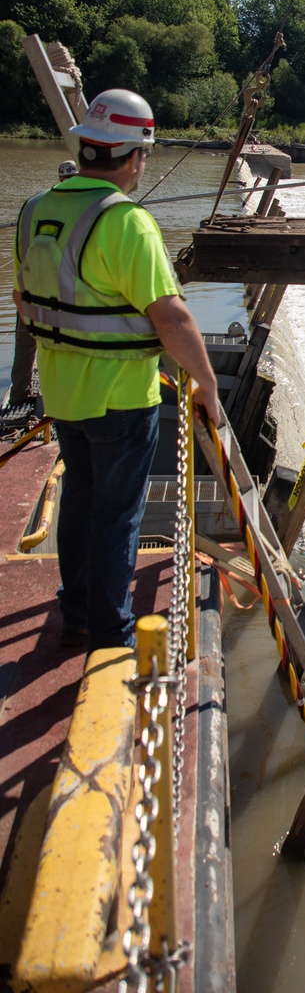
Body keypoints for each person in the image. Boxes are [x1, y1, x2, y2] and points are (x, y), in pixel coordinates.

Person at [13, 89, 221, 650]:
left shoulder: (34, 211)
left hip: (63, 394)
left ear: (85, 147)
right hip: (122, 399)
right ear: (134, 157)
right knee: (117, 515)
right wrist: (205, 384)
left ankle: (76, 611)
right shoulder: (127, 222)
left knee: (80, 495)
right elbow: (172, 318)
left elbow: (24, 300)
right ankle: (111, 633)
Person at [8, 159, 79, 406]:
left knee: (25, 347)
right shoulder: (81, 208)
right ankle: (57, 400)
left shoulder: (34, 204)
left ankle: (19, 396)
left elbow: (18, 249)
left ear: (59, 177)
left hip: (28, 288)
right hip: (59, 296)